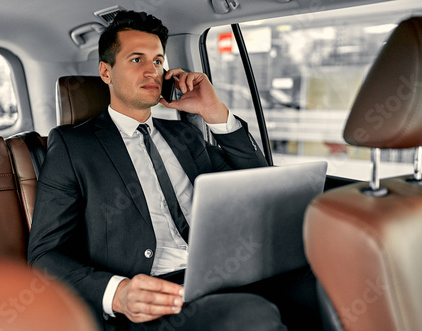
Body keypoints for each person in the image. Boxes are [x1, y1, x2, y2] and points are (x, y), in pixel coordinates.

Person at [28, 10, 287, 331]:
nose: (152, 70)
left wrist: (213, 112)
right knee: (249, 314)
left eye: (158, 61)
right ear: (106, 72)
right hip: (154, 293)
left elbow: (260, 184)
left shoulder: (186, 137)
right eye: (137, 60)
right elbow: (44, 254)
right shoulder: (73, 145)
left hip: (224, 272)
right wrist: (118, 293)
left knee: (324, 275)